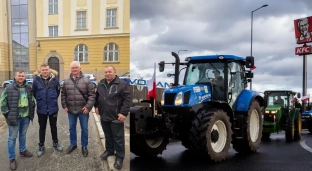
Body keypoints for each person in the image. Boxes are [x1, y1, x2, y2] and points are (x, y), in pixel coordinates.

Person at [95, 66, 130, 170]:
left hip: (116, 116)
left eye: (110, 72)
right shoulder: (101, 83)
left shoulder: (122, 84)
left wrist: (123, 113)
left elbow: (127, 100)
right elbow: (97, 97)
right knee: (108, 135)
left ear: (115, 72)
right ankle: (109, 150)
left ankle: (119, 157)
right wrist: (96, 106)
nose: (107, 74)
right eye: (106, 72)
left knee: (118, 138)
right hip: (104, 115)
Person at [0, 70, 35, 170]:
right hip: (14, 118)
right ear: (15, 77)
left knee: (23, 135)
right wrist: (7, 115)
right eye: (19, 76)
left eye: (23, 76)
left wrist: (31, 111)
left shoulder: (28, 87)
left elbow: (32, 100)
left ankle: (22, 150)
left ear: (25, 77)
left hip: (26, 117)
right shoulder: (9, 88)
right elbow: (2, 103)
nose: (21, 77)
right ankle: (12, 158)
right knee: (12, 138)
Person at [61, 61, 96, 157]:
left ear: (80, 68)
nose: (74, 69)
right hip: (71, 110)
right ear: (70, 69)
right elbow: (63, 94)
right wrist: (64, 106)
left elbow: (92, 95)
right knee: (72, 128)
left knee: (84, 129)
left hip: (83, 110)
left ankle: (84, 146)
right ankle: (73, 144)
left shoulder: (87, 81)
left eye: (76, 67)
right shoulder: (66, 82)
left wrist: (88, 107)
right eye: (72, 68)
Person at [32, 63, 63, 157]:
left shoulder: (55, 80)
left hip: (53, 108)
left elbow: (58, 92)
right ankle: (41, 145)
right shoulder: (36, 80)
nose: (45, 71)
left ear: (49, 70)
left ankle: (55, 142)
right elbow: (34, 92)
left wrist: (51, 100)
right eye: (43, 70)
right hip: (41, 109)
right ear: (40, 71)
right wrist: (42, 101)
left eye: (46, 70)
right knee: (42, 127)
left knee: (54, 126)